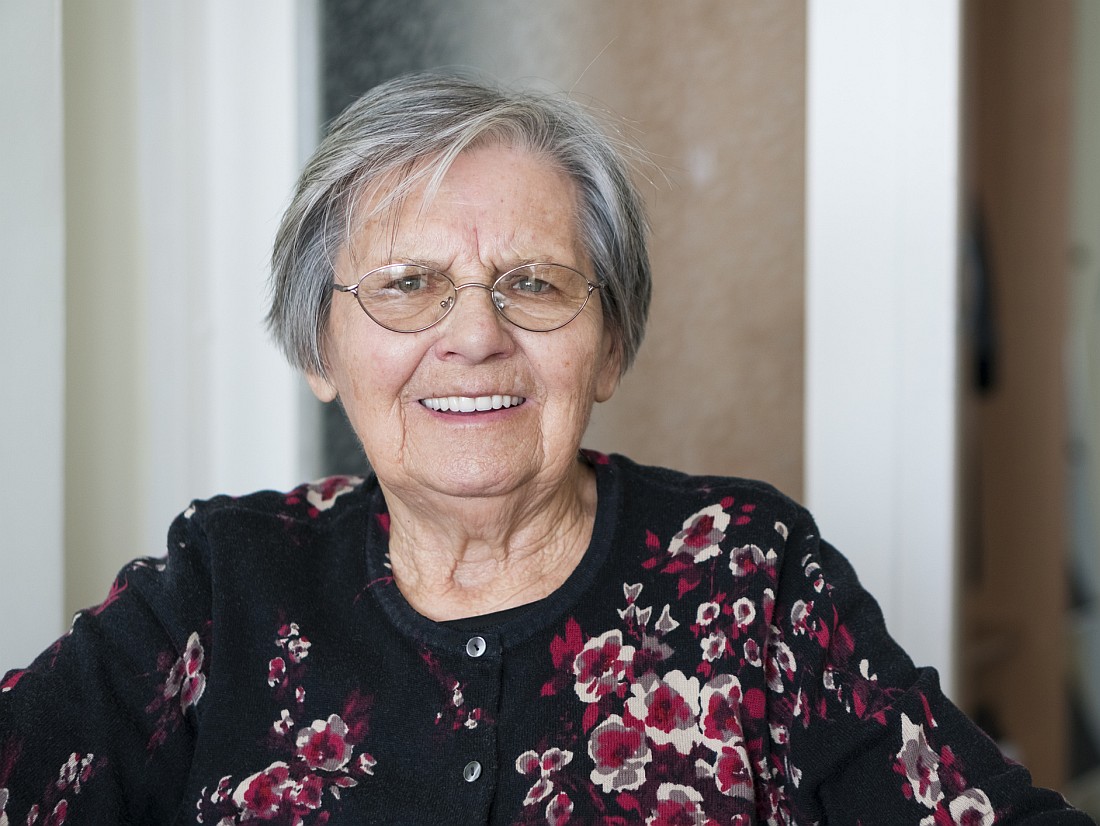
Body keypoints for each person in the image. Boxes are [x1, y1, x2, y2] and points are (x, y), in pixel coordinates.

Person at [0, 71, 1092, 826]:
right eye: (408, 285)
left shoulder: (746, 572)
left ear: (608, 345)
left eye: (532, 283)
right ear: (318, 347)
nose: (474, 335)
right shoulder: (224, 584)